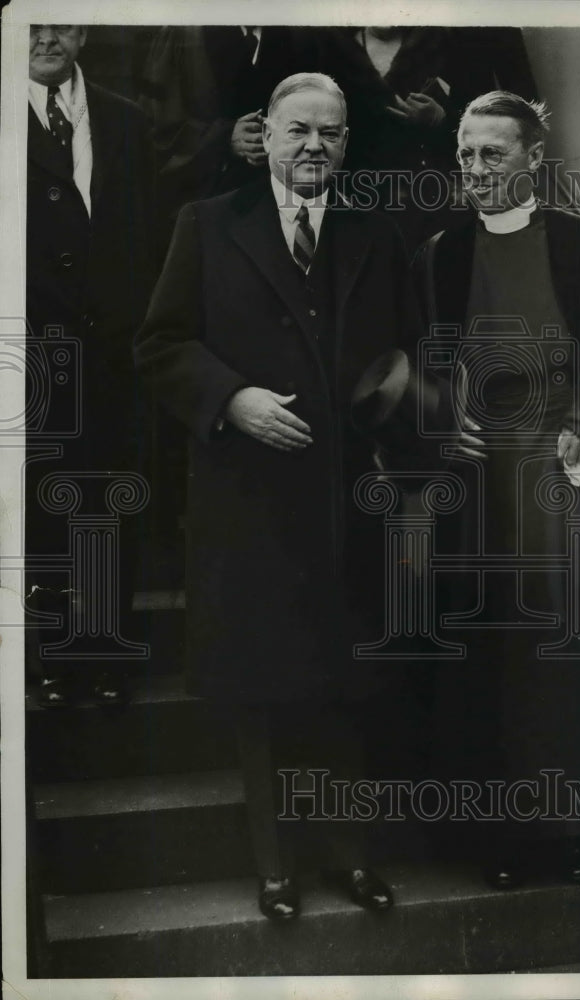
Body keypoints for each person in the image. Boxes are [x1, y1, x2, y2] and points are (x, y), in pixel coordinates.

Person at [135, 73, 425, 921]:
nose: (314, 148)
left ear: (346, 142)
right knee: (261, 693)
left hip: (346, 507)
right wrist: (232, 399)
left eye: (331, 134)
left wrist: (394, 432)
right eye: (298, 131)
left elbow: (408, 353)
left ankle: (350, 857)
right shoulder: (208, 224)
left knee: (344, 687)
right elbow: (159, 345)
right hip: (249, 504)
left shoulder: (376, 232)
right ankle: (275, 869)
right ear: (264, 134)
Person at [412, 91, 580, 887]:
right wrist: (438, 422)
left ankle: (572, 832)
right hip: (477, 483)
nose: (476, 170)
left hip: (565, 479)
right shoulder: (439, 254)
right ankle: (500, 839)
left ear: (533, 158)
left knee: (566, 663)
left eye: (493, 153)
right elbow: (418, 365)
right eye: (464, 154)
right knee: (487, 657)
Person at [25, 24, 157, 707]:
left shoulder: (125, 120)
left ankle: (106, 654)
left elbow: (147, 233)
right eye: (32, 21)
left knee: (110, 503)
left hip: (111, 352)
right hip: (25, 357)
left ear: (85, 29)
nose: (46, 36)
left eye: (62, 21)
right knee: (41, 507)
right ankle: (48, 656)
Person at [317, 26, 537, 254]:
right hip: (364, 192)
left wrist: (444, 120)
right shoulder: (338, 40)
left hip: (450, 186)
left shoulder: (480, 29)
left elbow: (522, 112)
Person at [138, 26, 320, 242]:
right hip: (207, 208)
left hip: (282, 213)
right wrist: (224, 138)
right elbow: (156, 128)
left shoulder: (303, 36)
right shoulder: (185, 33)